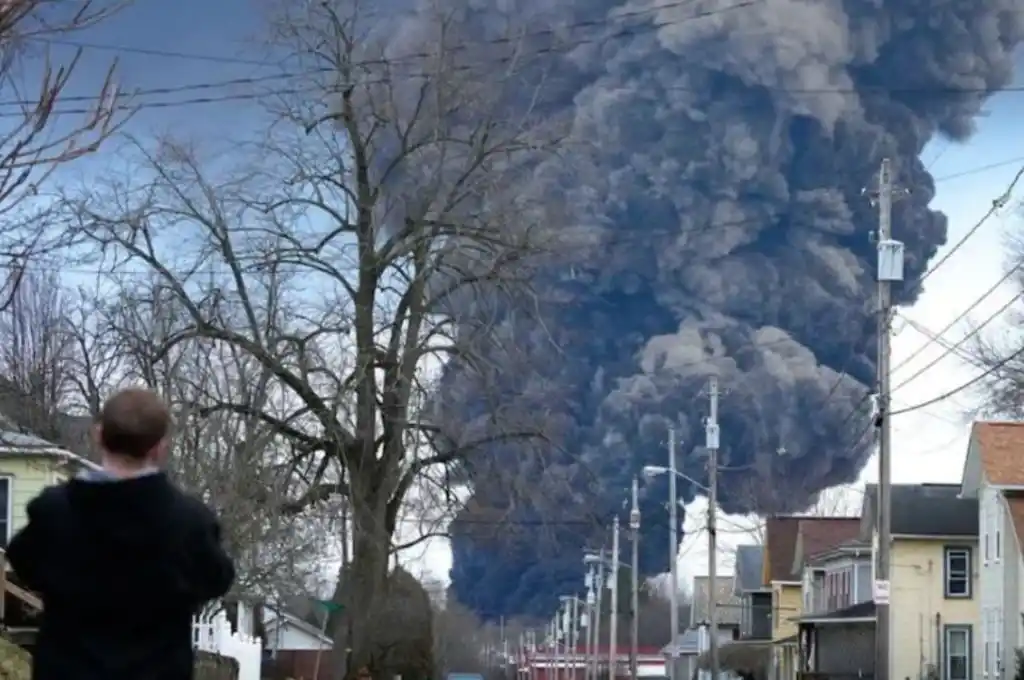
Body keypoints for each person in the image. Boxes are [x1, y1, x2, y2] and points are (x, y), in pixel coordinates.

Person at [5, 387, 235, 680]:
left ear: (98, 435)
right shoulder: (189, 523)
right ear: (159, 447)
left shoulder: (54, 513)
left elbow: (23, 562)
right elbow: (217, 579)